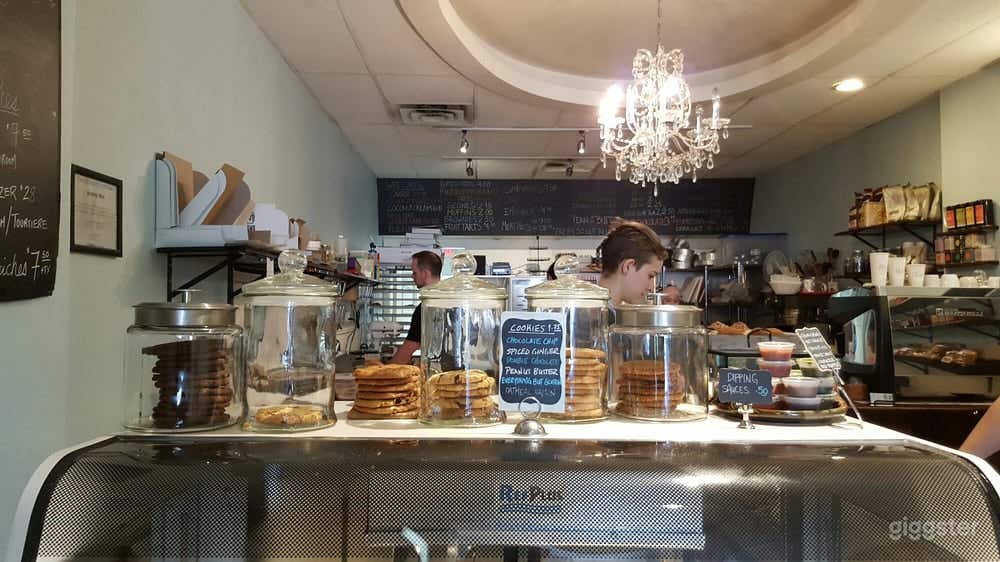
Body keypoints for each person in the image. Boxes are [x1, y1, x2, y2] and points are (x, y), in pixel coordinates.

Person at [596, 218, 669, 305]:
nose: (651, 288)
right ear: (627, 266)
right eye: (651, 276)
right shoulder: (589, 317)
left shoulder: (609, 314)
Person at [389, 250, 441, 365]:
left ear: (425, 273)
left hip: (435, 374)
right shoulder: (450, 302)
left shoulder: (425, 308)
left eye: (414, 272)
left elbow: (407, 350)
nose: (412, 276)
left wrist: (382, 372)